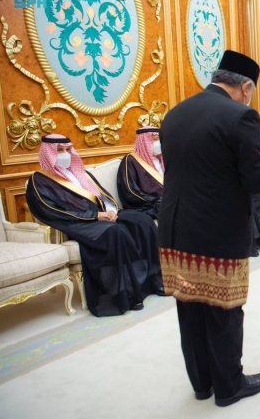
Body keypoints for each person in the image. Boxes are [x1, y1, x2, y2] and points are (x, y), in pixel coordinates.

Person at [158, 50, 260, 407]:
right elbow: (256, 182)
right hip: (216, 229)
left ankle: (202, 383)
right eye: (252, 90)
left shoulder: (176, 113)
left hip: (174, 229)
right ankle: (230, 386)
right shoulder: (241, 116)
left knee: (190, 305)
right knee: (224, 307)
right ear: (245, 86)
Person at [26, 135, 164, 316]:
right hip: (76, 223)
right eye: (60, 150)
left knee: (142, 221)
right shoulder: (39, 181)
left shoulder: (80, 173)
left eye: (68, 150)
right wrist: (95, 216)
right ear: (48, 153)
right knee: (115, 232)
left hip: (103, 215)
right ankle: (124, 293)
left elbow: (101, 197)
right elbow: (51, 211)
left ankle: (153, 280)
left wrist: (111, 210)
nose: (65, 154)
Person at [117, 127, 164, 219]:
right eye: (155, 140)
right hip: (146, 204)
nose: (159, 144)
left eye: (160, 140)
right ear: (144, 142)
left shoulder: (161, 159)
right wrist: (157, 201)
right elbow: (130, 192)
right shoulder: (130, 161)